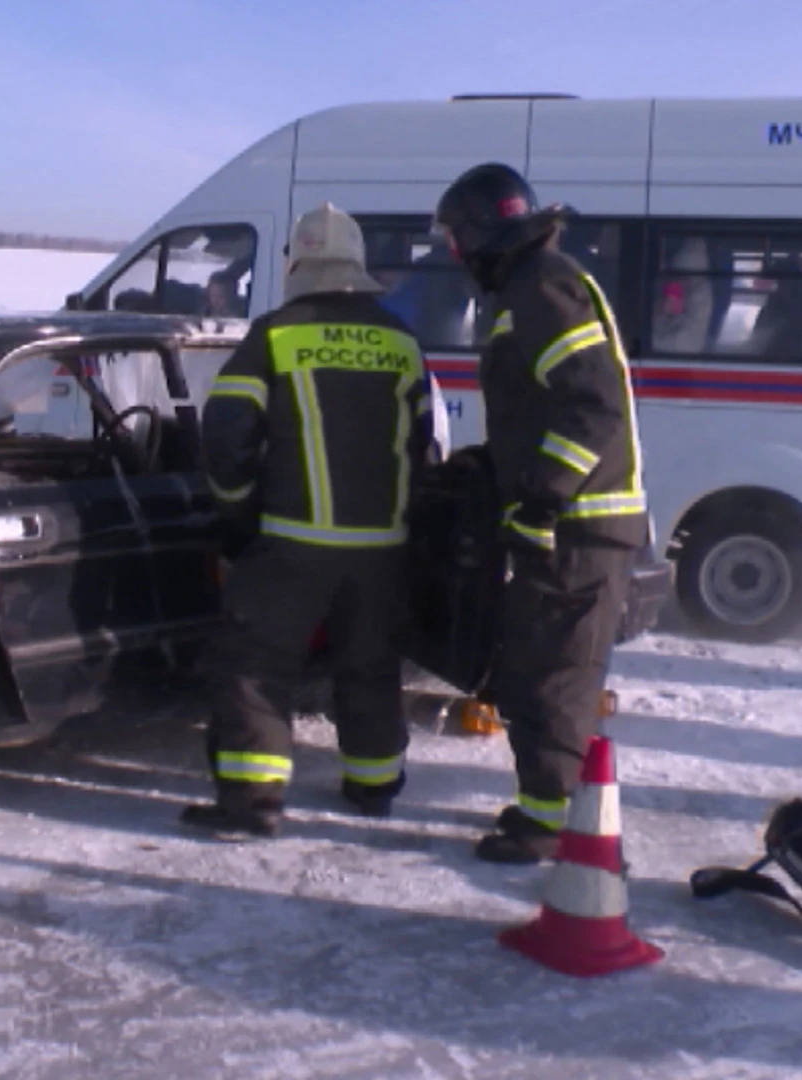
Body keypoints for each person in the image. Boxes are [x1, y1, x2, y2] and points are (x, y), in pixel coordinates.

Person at [180, 202, 435, 839]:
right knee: (371, 667)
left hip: (293, 543)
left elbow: (227, 430)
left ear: (298, 266)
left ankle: (252, 806)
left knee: (258, 666)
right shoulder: (401, 341)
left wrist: (237, 510)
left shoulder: (274, 334)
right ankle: (374, 787)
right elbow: (425, 444)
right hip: (384, 548)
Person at [433, 163, 650, 863]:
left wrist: (541, 498)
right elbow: (539, 410)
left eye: (451, 237)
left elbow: (590, 407)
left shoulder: (539, 289)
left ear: (476, 233)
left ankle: (547, 823)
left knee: (554, 672)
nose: (449, 253)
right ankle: (541, 808)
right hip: (568, 520)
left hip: (580, 524)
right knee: (531, 666)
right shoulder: (527, 286)